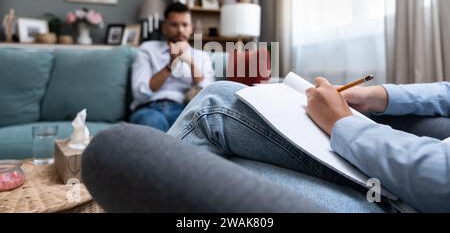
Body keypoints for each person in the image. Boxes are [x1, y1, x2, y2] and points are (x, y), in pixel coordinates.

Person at [167, 79, 450, 212]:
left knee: (213, 106)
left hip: (406, 195)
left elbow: (440, 180)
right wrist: (376, 96)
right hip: (398, 176)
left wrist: (341, 122)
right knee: (222, 156)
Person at [130, 2, 214, 131]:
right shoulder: (147, 49)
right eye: (174, 25)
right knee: (152, 122)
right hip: (149, 108)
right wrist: (170, 65)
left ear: (191, 28)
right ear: (164, 27)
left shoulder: (202, 56)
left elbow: (208, 94)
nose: (180, 30)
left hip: (183, 109)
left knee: (196, 127)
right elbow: (140, 93)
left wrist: (191, 63)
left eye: (185, 25)